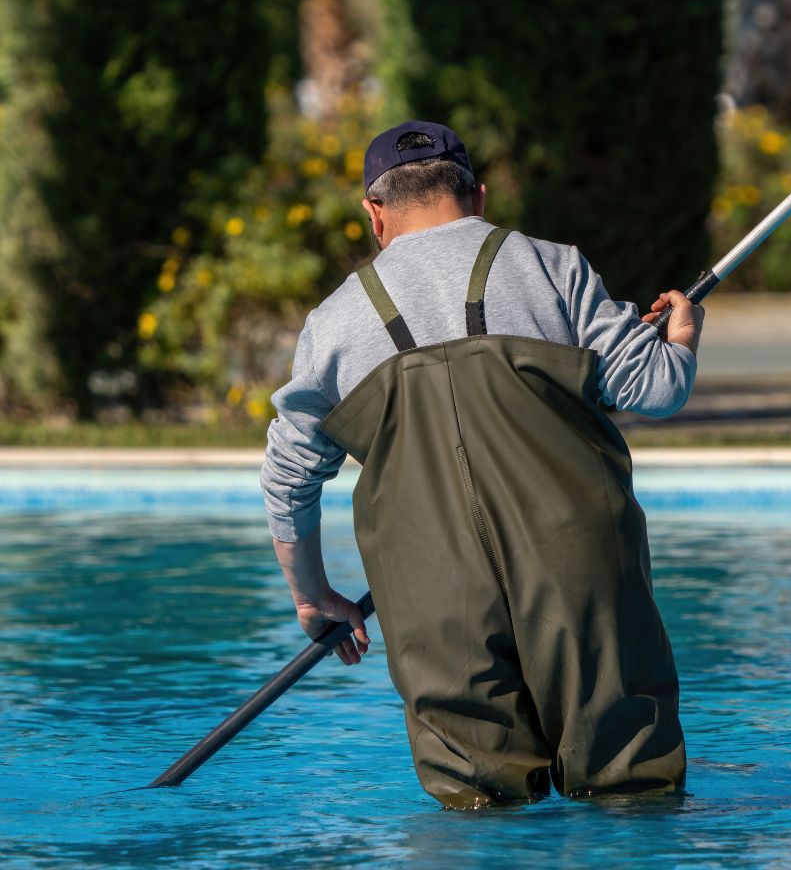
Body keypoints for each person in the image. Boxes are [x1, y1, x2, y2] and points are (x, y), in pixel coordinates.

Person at [261, 120, 704, 809]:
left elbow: (288, 479)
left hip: (431, 588)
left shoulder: (335, 323)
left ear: (374, 214)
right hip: (578, 560)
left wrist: (314, 594)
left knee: (479, 807)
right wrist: (678, 337)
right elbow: (653, 389)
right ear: (478, 195)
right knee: (631, 786)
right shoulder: (550, 265)